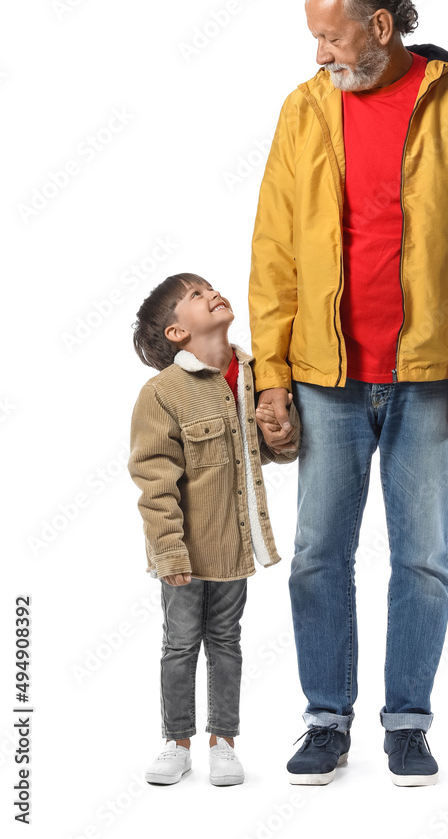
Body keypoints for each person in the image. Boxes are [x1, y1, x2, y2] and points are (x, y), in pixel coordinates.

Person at [248, 0, 448, 786]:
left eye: (331, 40)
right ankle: (326, 718)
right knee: (319, 554)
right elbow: (274, 253)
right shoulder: (304, 111)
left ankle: (408, 720)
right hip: (325, 378)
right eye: (313, 41)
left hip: (434, 377)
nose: (319, 57)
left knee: (424, 558)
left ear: (379, 25)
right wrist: (270, 375)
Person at [127, 273, 301, 787]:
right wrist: (169, 553)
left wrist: (282, 432)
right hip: (183, 552)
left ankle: (223, 742)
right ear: (178, 333)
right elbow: (155, 480)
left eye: (208, 287)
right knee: (180, 644)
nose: (212, 294)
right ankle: (176, 741)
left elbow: (270, 454)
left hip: (232, 547)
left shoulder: (252, 375)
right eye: (195, 297)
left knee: (226, 641)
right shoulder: (162, 394)